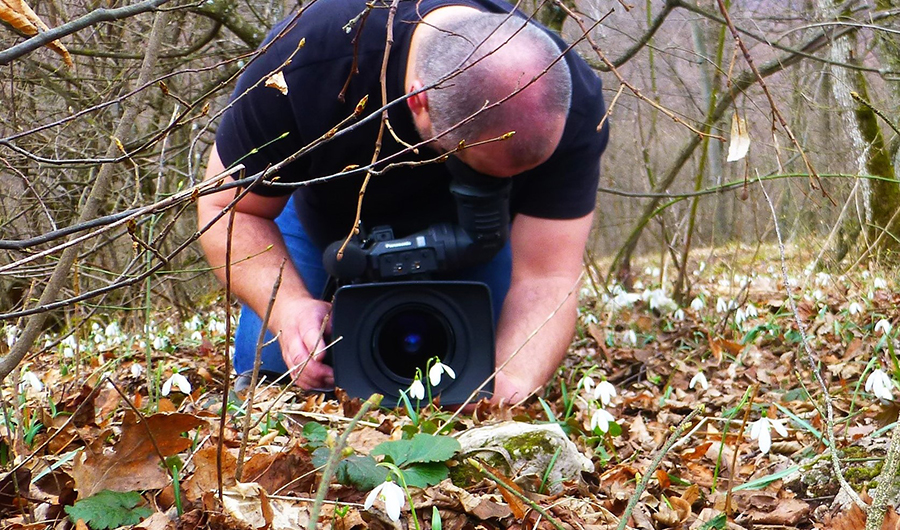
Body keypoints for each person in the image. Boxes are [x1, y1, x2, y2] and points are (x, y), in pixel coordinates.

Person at [197, 0, 610, 404]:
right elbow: (226, 210)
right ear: (417, 98)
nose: (498, 178)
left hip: (480, 237)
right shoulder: (307, 62)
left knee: (477, 380)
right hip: (322, 229)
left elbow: (548, 277)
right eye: (475, 166)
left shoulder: (573, 101)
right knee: (278, 379)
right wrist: (289, 309)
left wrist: (509, 382)